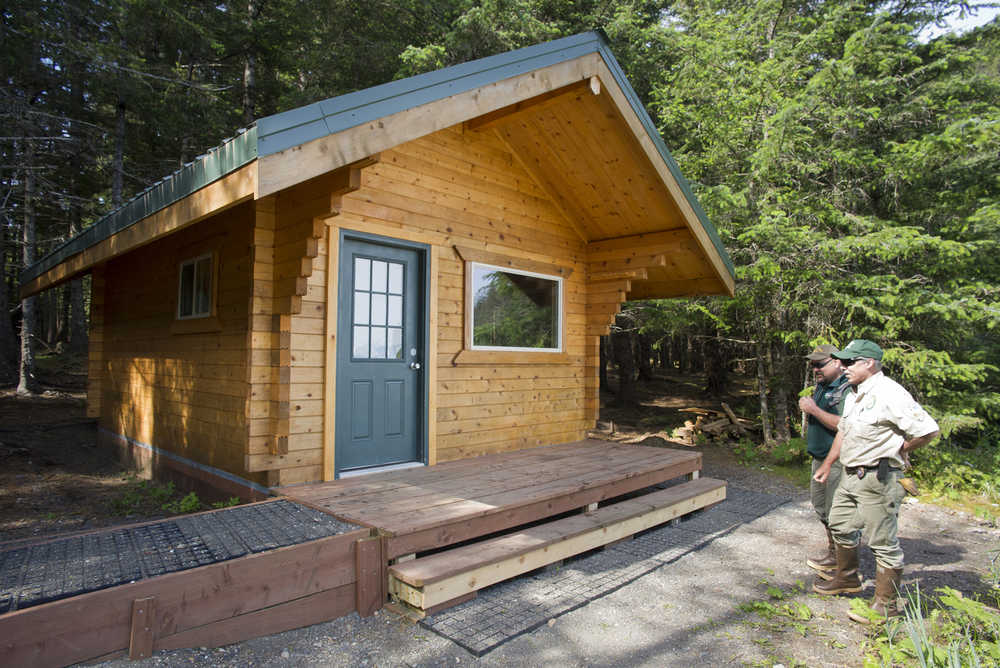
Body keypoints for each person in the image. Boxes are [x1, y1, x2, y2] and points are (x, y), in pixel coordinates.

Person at [812, 339, 940, 624]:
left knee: (883, 542)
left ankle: (886, 605)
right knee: (839, 524)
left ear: (868, 363)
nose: (843, 367)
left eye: (849, 362)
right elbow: (844, 430)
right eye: (842, 362)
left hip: (879, 478)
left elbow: (928, 430)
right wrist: (829, 463)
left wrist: (902, 448)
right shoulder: (855, 393)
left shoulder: (890, 393)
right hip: (850, 474)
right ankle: (847, 578)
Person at [798, 344, 849, 579]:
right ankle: (833, 554)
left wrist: (813, 410)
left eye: (820, 364)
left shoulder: (846, 389)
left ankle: (845, 567)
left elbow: (846, 425)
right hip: (819, 458)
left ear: (837, 362)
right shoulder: (823, 385)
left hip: (838, 460)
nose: (815, 369)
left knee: (838, 513)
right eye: (812, 365)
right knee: (821, 508)